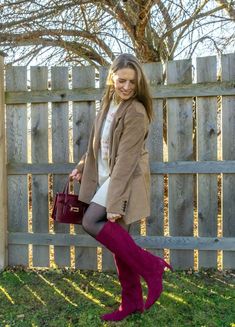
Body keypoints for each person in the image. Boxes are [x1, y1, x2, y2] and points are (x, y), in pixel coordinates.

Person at [70, 53, 172, 321]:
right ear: (112, 78)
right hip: (105, 177)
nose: (127, 87)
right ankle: (132, 303)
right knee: (121, 244)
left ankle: (152, 267)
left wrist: (115, 203)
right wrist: (82, 167)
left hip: (122, 181)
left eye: (132, 83)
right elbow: (99, 143)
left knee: (91, 221)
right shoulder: (108, 104)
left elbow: (126, 163)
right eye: (122, 80)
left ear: (139, 85)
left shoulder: (136, 111)